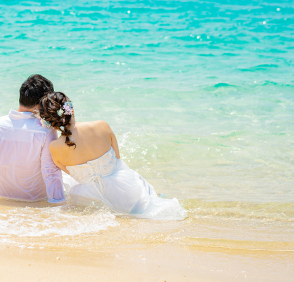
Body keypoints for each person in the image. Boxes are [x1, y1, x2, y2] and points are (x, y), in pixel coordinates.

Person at [37, 91, 186, 219]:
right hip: (127, 190)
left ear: (49, 123)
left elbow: (72, 173)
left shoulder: (54, 148)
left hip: (89, 198)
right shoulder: (101, 125)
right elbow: (117, 158)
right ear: (71, 109)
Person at [0, 74, 65, 203]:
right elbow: (51, 173)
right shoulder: (46, 131)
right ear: (40, 104)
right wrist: (58, 205)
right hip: (35, 206)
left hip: (4, 205)